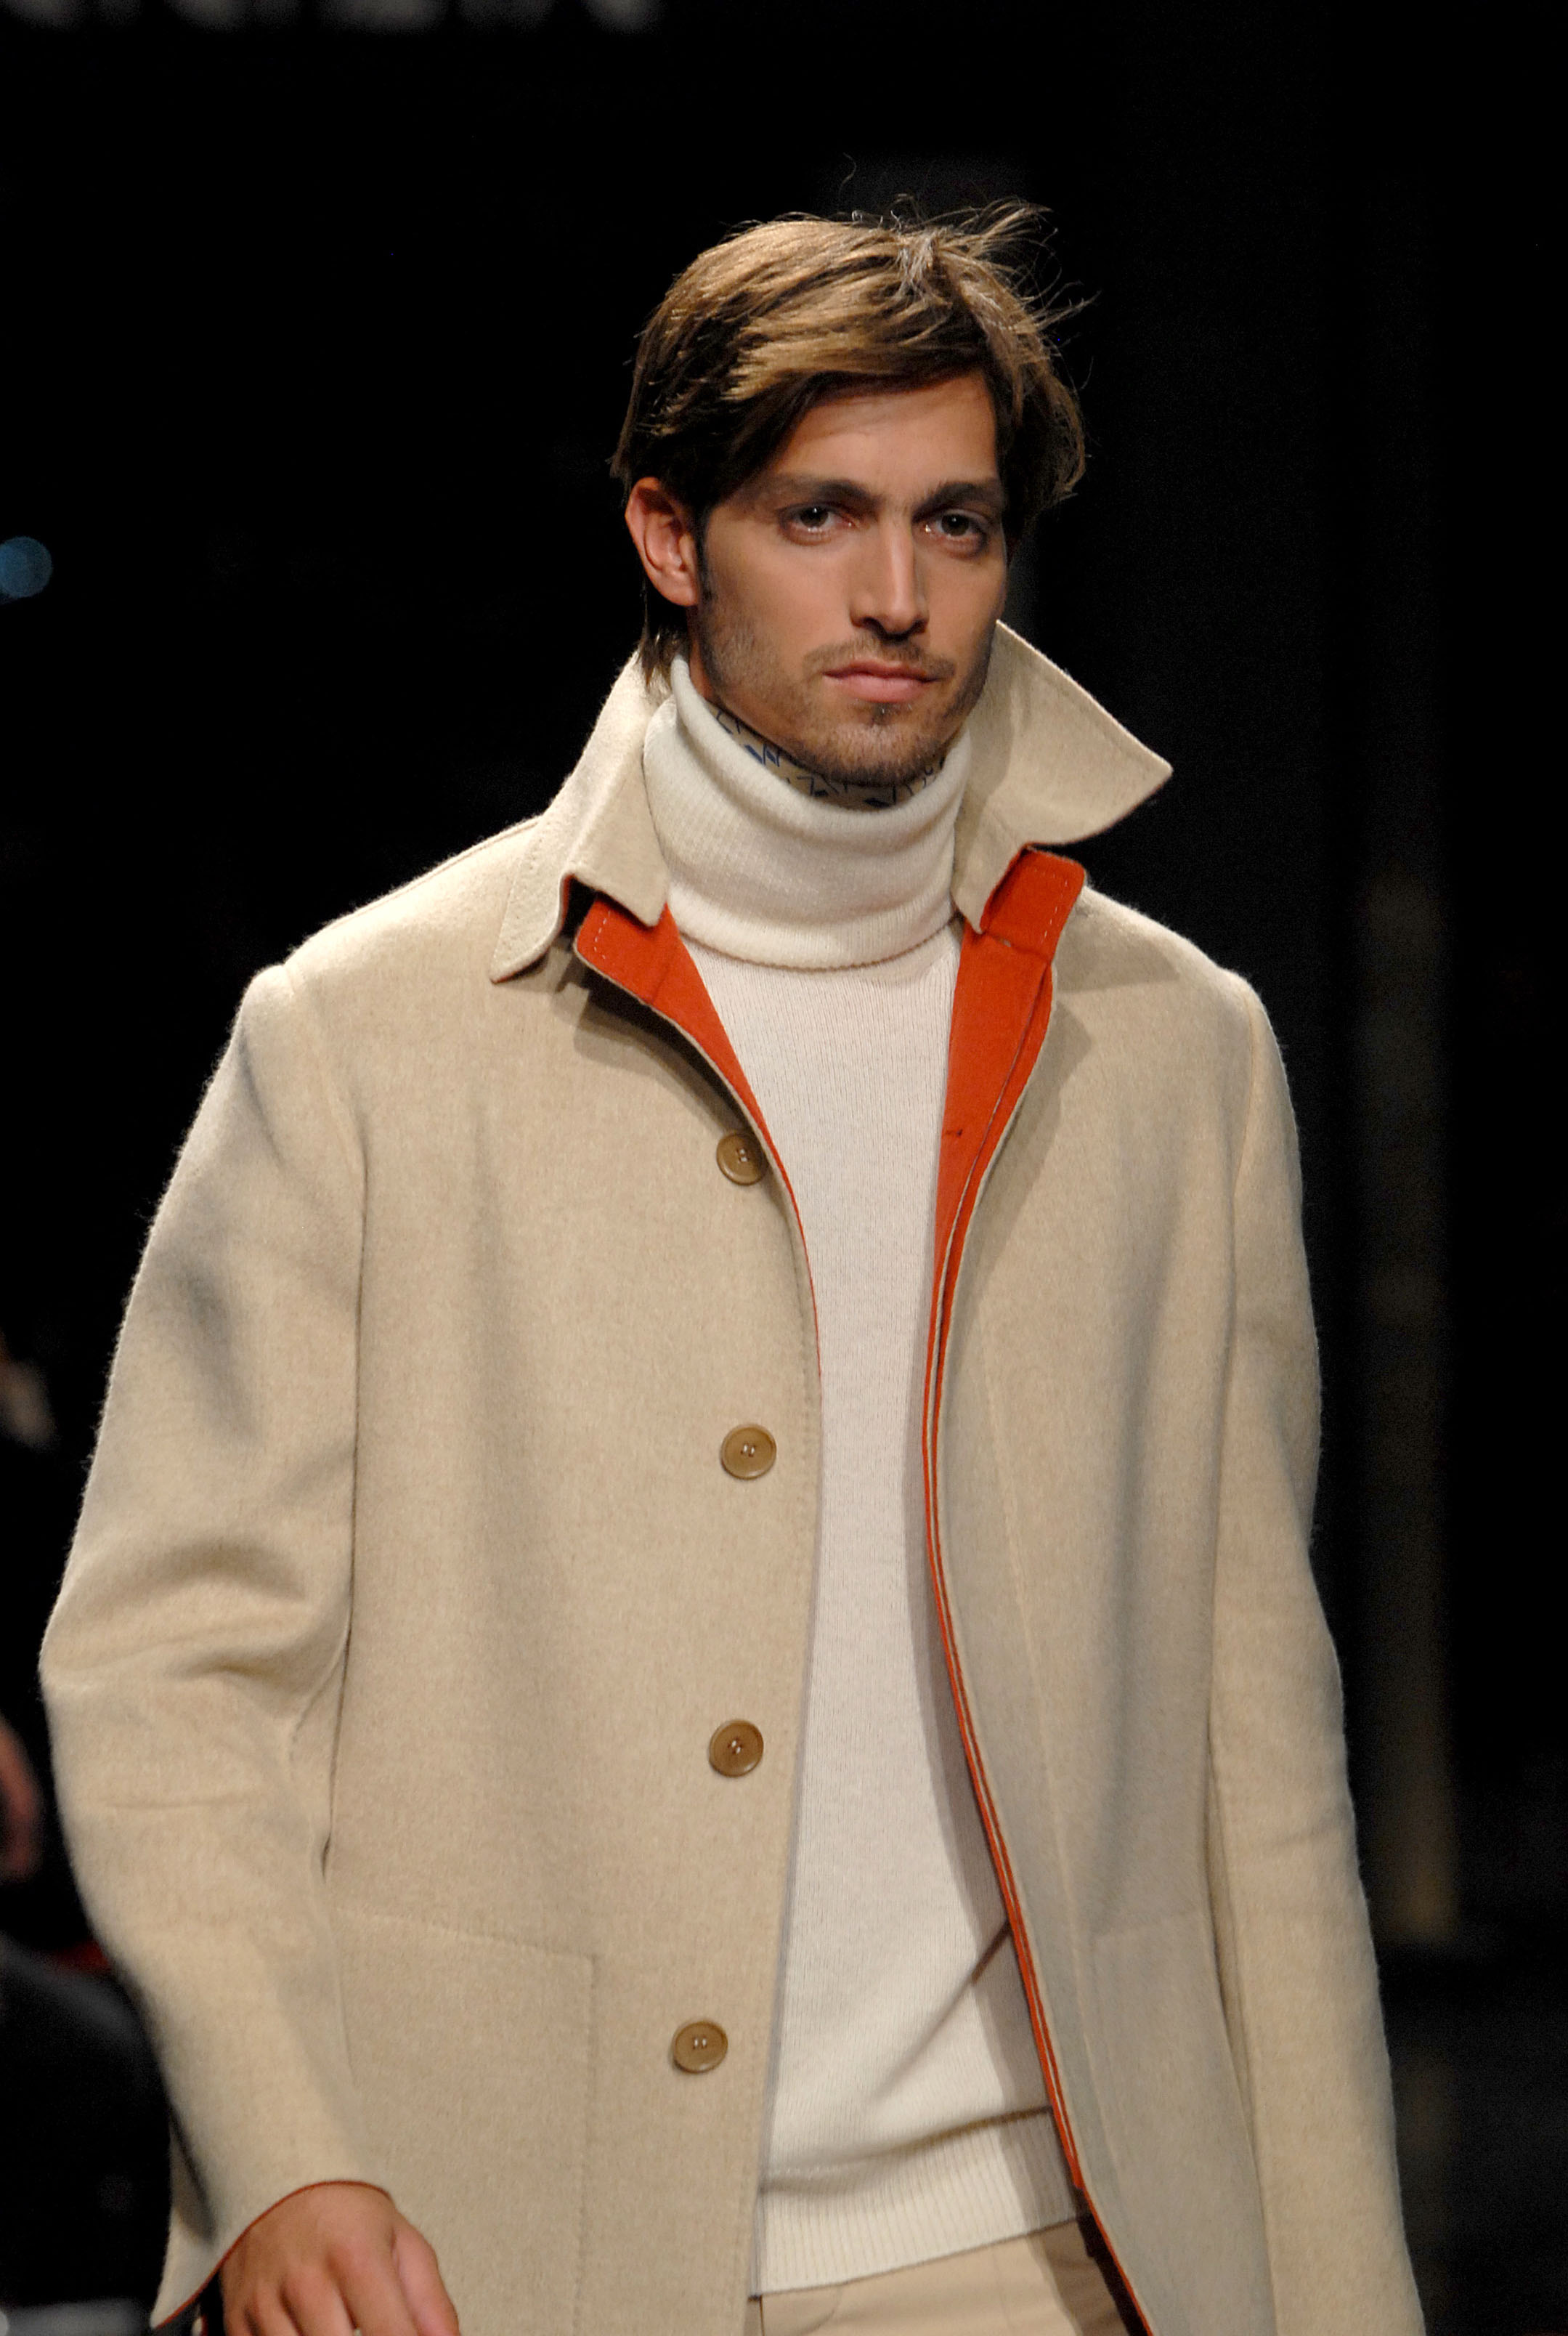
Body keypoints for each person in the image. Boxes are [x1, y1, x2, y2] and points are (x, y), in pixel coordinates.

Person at [41, 211, 1423, 2336]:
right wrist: (284, 2151)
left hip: (1040, 2256)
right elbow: (176, 1672)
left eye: (956, 523)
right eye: (819, 516)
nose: (898, 597)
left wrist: (1337, 2283)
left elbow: (1254, 1733)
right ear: (671, 537)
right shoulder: (373, 1038)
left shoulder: (1172, 1053)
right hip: (501, 2240)